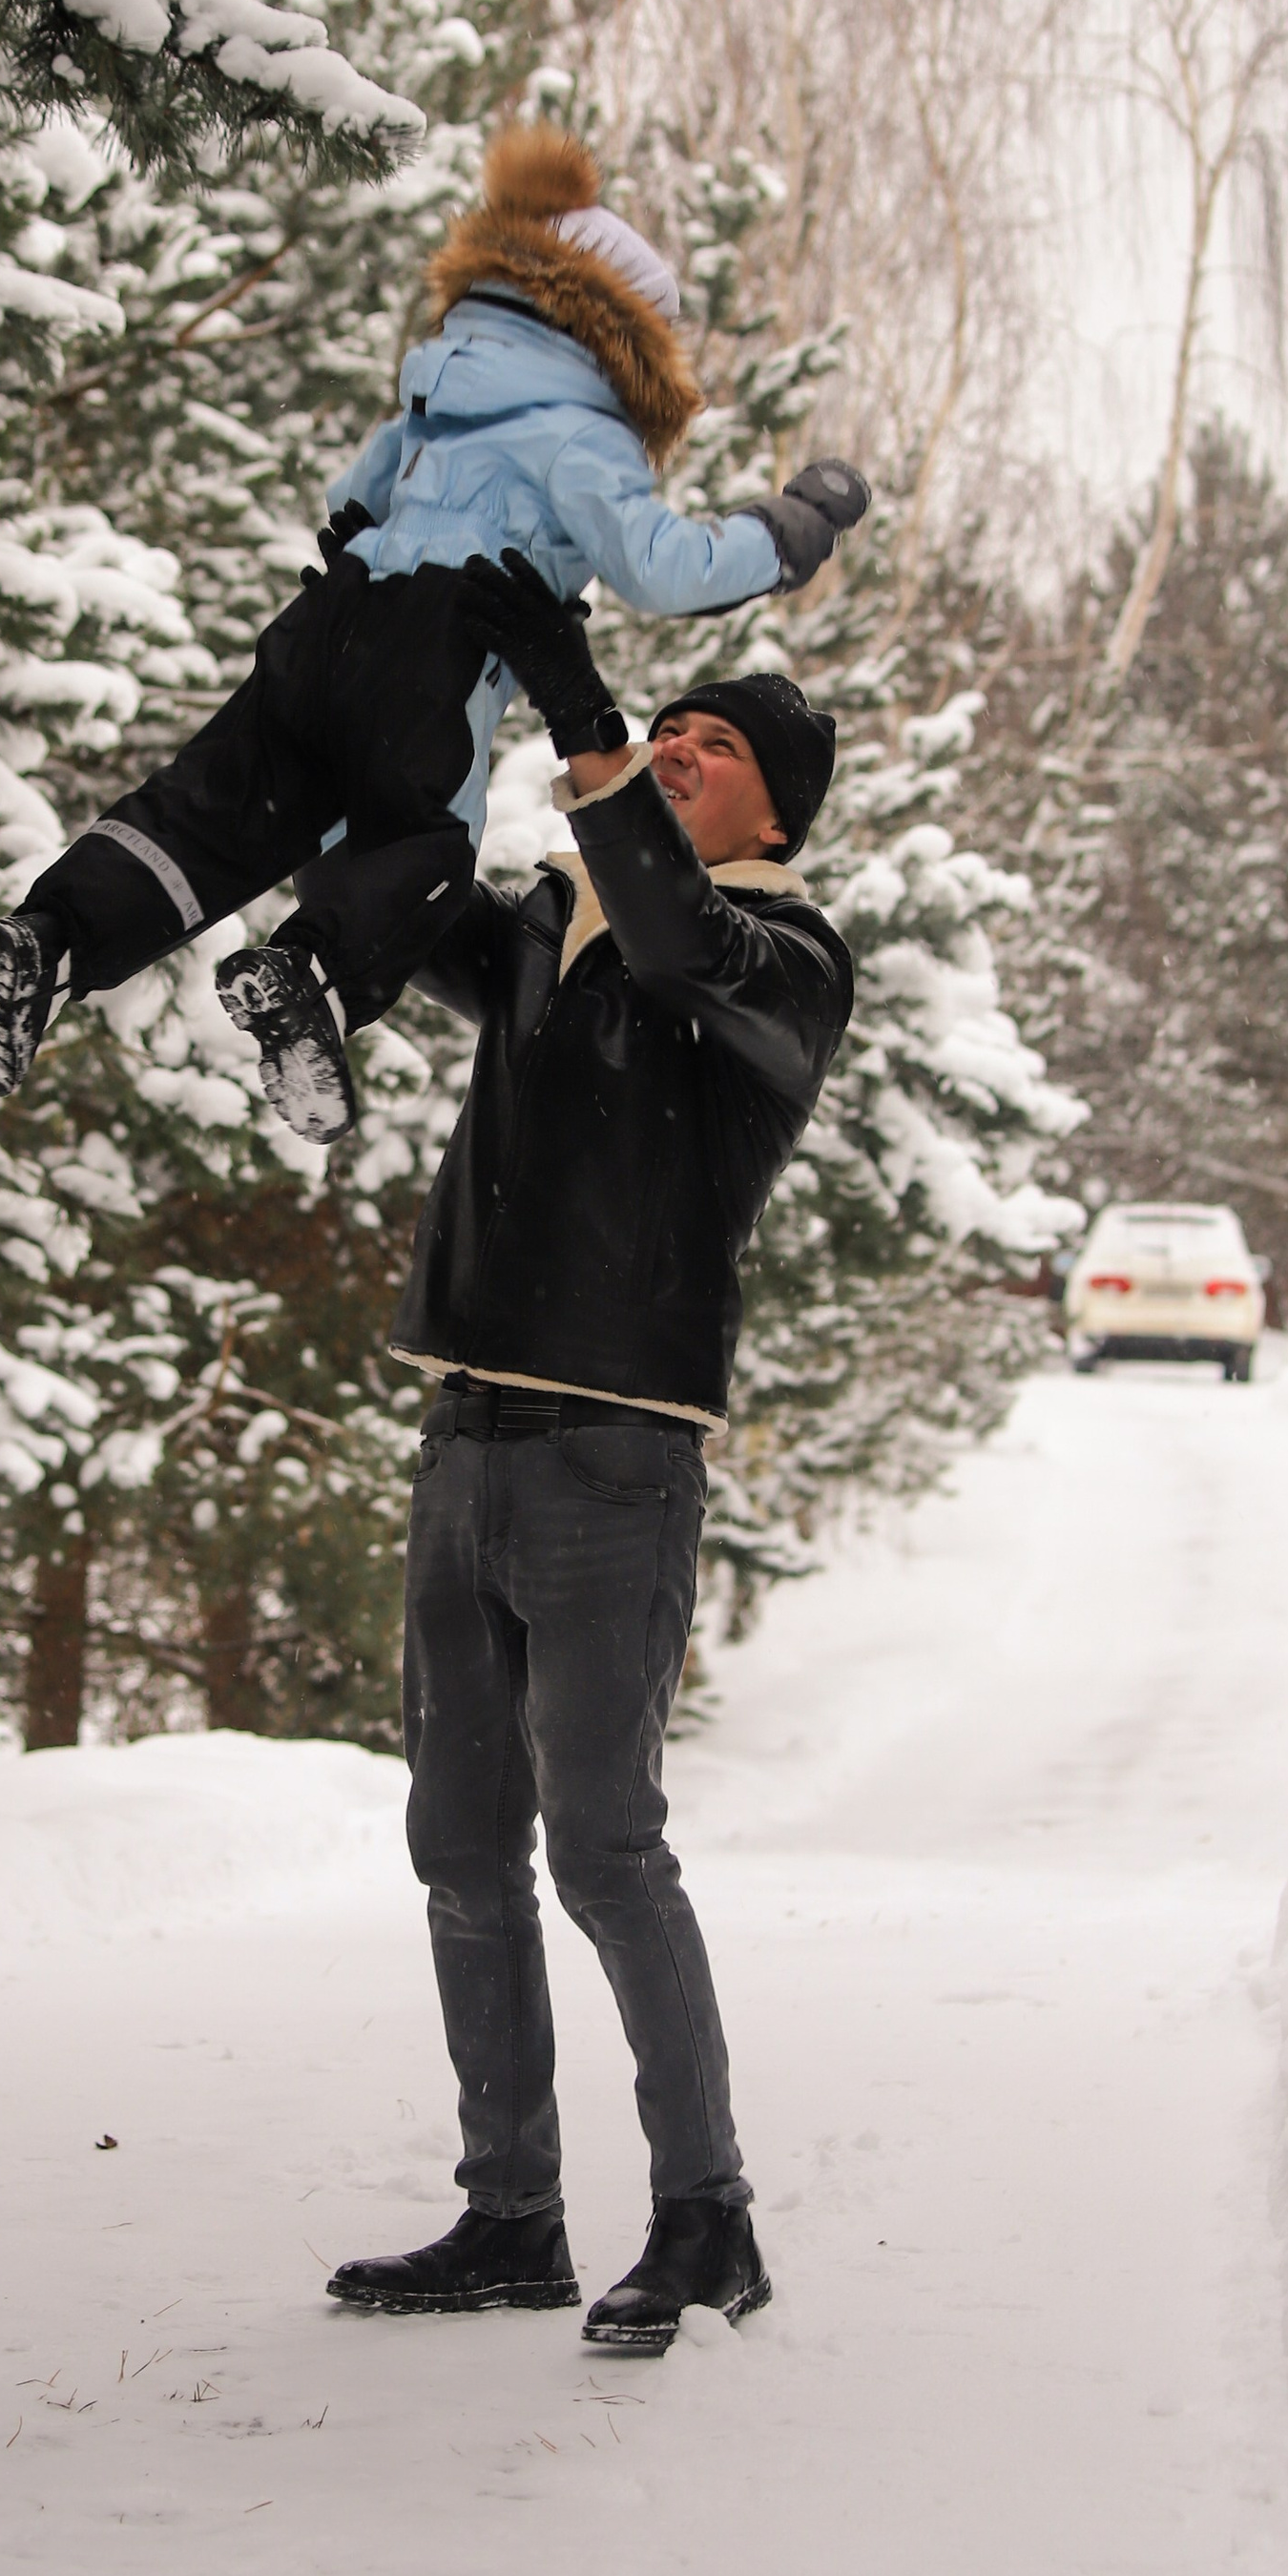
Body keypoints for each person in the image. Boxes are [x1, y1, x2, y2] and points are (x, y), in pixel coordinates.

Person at [325, 573, 854, 2356]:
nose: (679, 754)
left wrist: (597, 739)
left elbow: (681, 935)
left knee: (605, 1845)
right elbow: (409, 898)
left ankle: (707, 2213)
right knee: (460, 1847)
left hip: (614, 1460)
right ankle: (511, 2215)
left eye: (715, 750)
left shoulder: (785, 959)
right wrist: (393, 722)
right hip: (465, 1433)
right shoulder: (557, 927)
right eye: (671, 731)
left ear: (770, 810)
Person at [0, 122, 869, 1140]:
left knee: (214, 810)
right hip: (441, 636)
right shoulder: (582, 430)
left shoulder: (438, 400)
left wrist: (360, 556)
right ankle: (312, 979)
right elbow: (663, 567)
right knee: (421, 842)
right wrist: (785, 536)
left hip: (330, 609)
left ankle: (46, 941)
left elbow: (352, 499)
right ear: (624, 340)